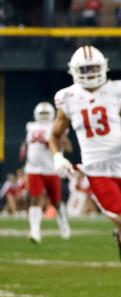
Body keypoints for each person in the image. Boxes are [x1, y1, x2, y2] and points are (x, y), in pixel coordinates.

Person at [50, 45, 121, 294]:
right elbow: (56, 134)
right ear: (74, 71)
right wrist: (58, 156)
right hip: (96, 169)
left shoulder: (115, 90)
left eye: (93, 68)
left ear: (103, 68)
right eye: (85, 69)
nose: (90, 73)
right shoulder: (67, 97)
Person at [21, 102, 71, 243]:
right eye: (41, 114)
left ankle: (63, 221)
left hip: (52, 169)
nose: (43, 117)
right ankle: (35, 231)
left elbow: (68, 148)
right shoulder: (31, 126)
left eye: (45, 114)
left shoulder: (56, 126)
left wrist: (59, 138)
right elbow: (27, 144)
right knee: (35, 198)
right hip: (34, 169)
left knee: (56, 202)